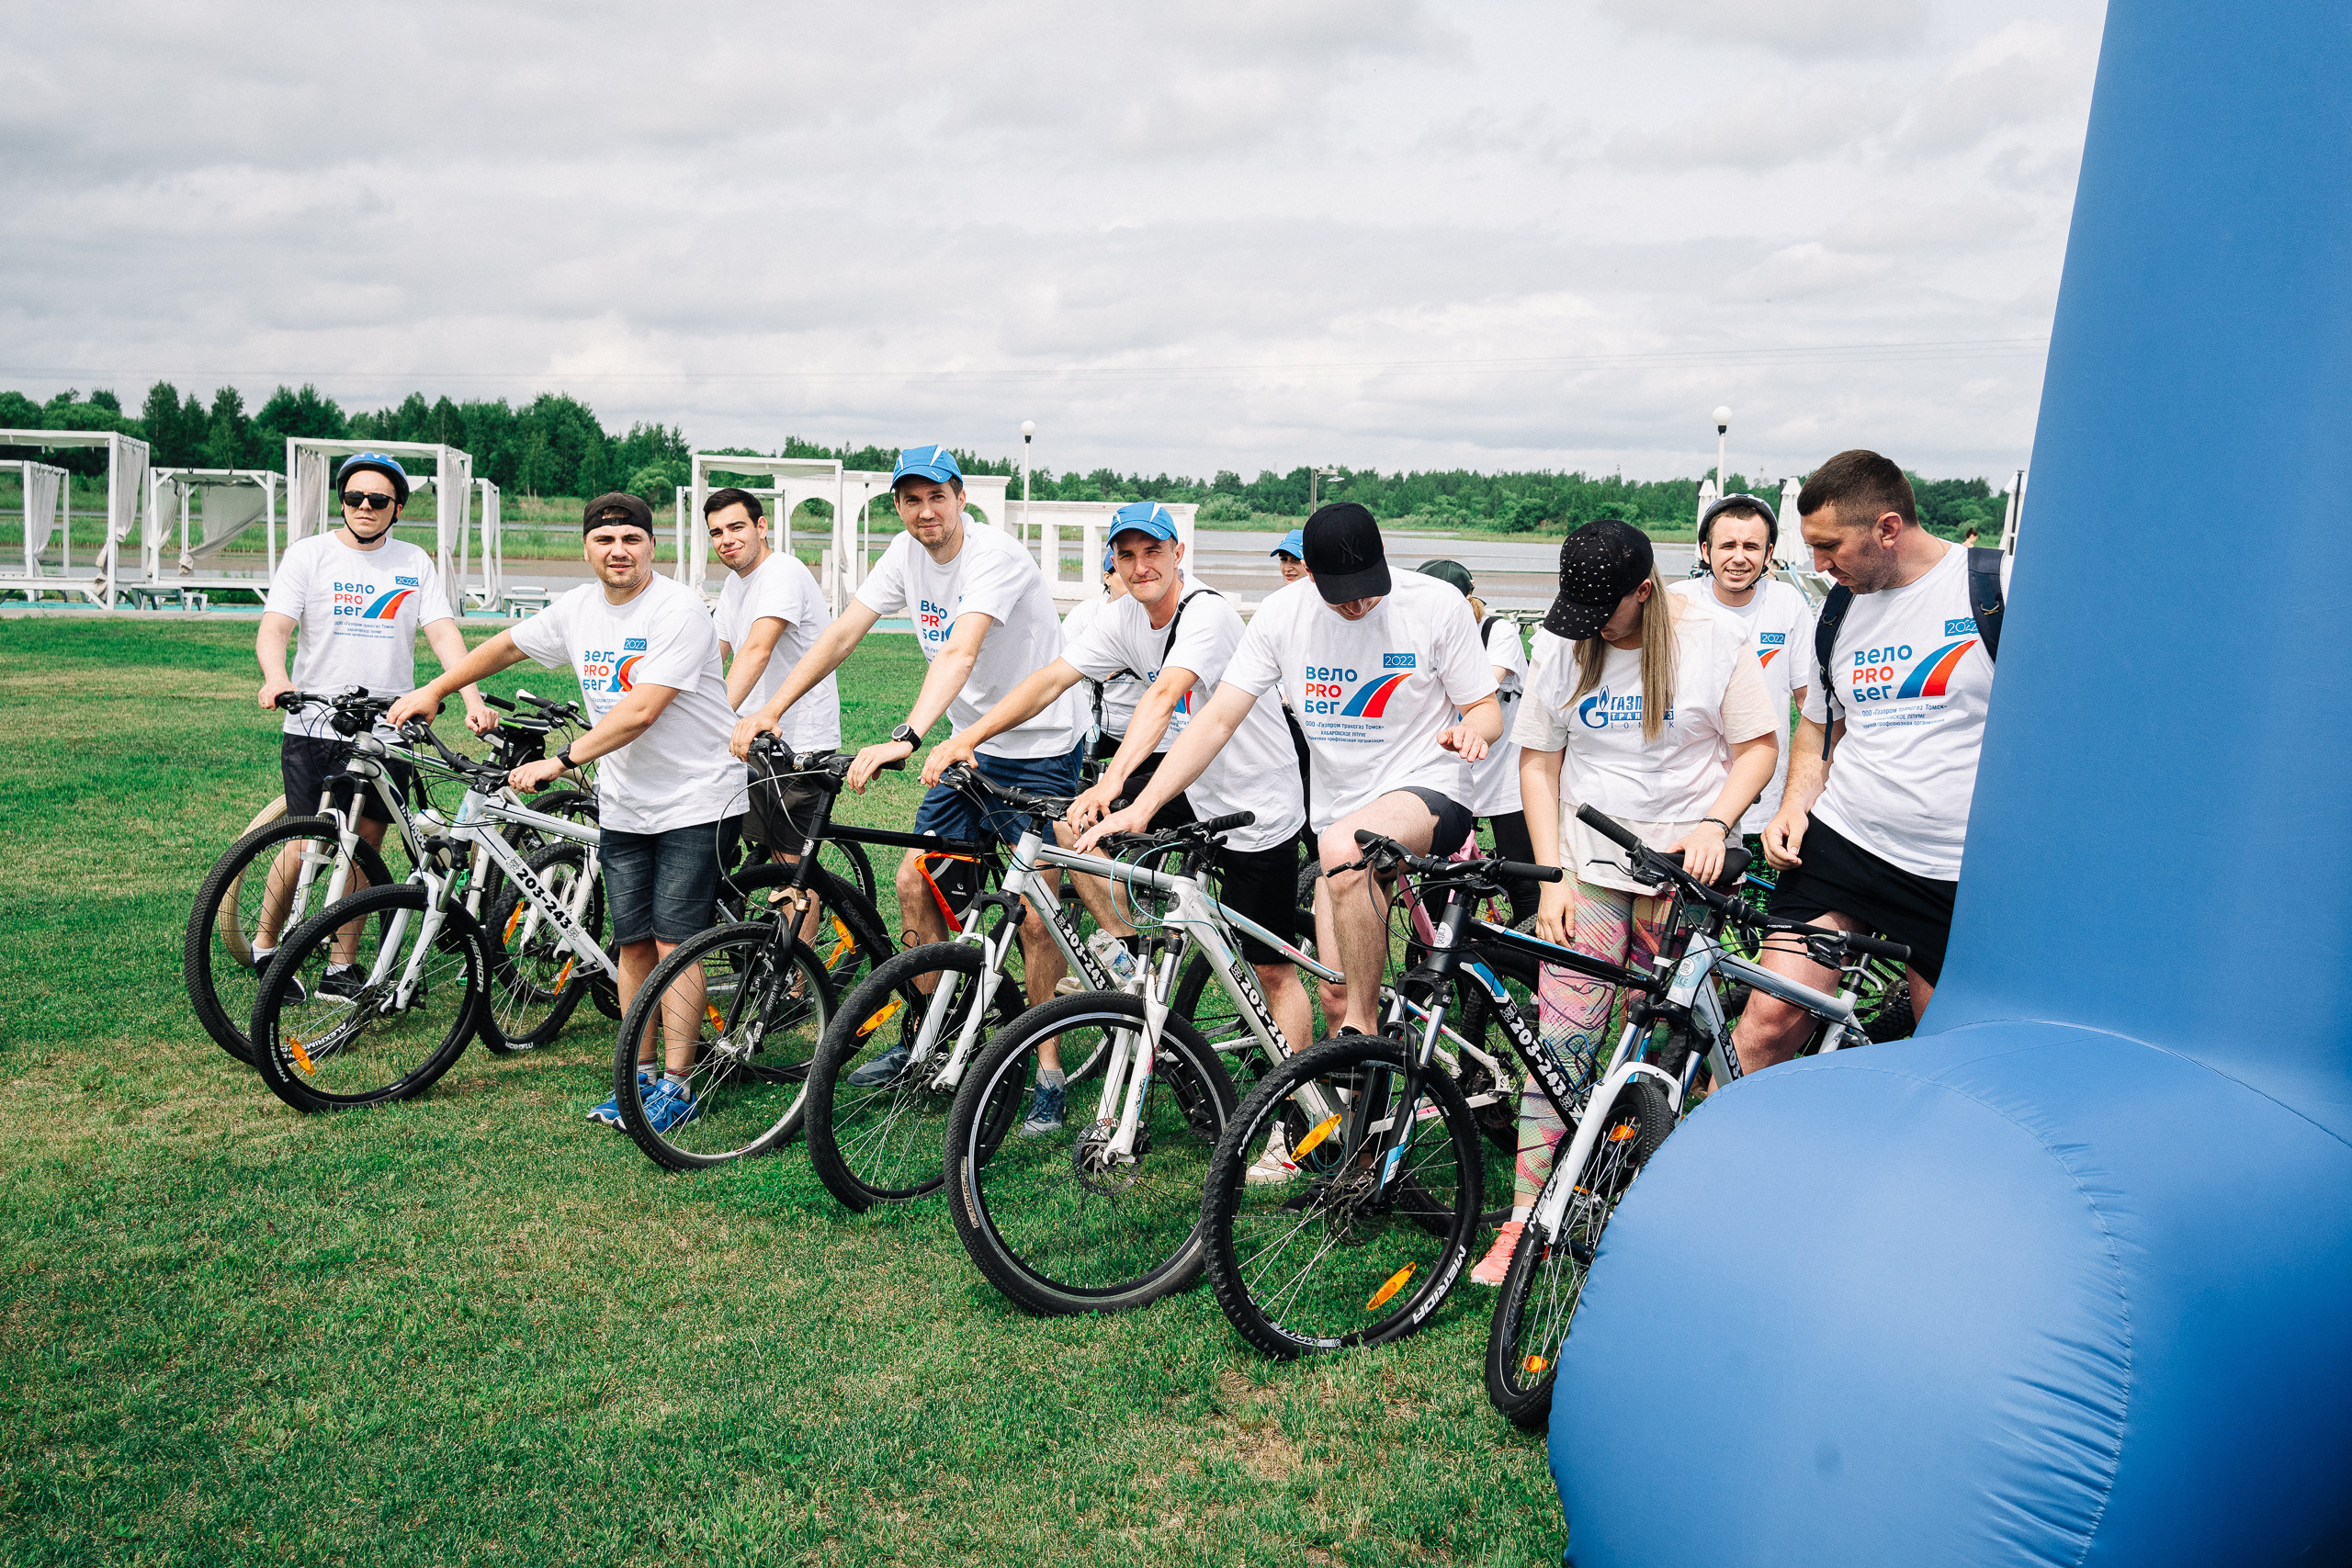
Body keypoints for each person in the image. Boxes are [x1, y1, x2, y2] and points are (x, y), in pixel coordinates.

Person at [926, 502, 1312, 1136]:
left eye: (1152, 552)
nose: (1141, 566)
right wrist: (971, 734)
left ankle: (1296, 1116)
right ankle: (1132, 954)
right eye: (1126, 555)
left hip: (1255, 799)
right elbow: (1050, 679)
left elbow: (1163, 697)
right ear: (1113, 560)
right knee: (1071, 830)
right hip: (1187, 780)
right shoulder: (1124, 616)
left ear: (1177, 553)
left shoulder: (1206, 612)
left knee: (1269, 966)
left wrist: (1115, 784)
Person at [1475, 518, 1781, 1284]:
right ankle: (1524, 1221)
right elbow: (1540, 765)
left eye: (1603, 613)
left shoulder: (1712, 639)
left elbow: (1758, 747)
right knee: (1563, 1043)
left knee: (1661, 1058)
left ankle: (1641, 1204)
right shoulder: (1563, 644)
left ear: (1645, 592)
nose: (1589, 629)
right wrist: (1553, 877)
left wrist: (1717, 821)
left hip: (1685, 878)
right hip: (1591, 870)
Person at [729, 444, 1087, 1086]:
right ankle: (926, 1034)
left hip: (1038, 747)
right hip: (968, 747)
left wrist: (907, 734)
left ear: (960, 498)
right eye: (912, 500)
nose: (926, 512)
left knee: (1033, 912)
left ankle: (1046, 1068)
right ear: (897, 505)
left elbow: (960, 651)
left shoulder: (993, 556)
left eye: (937, 497)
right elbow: (840, 634)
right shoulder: (904, 554)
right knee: (913, 883)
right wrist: (771, 708)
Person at [389, 493, 744, 1135]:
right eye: (606, 540)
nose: (619, 551)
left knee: (674, 940)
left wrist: (561, 760)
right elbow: (502, 647)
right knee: (633, 942)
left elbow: (642, 709)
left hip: (698, 795)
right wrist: (435, 688)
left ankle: (678, 1083)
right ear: (587, 548)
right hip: (628, 800)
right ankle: (637, 1078)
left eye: (632, 539)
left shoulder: (679, 609)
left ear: (651, 547)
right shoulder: (578, 609)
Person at [1080, 502, 1501, 1040]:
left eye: (1369, 586)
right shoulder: (1282, 614)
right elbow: (1215, 720)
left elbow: (1485, 709)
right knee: (1333, 990)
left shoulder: (1437, 605)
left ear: (1385, 558)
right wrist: (1141, 805)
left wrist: (1473, 731)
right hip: (1338, 817)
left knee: (1349, 855)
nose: (1359, 602)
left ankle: (1363, 1040)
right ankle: (1351, 1118)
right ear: (1308, 572)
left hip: (1429, 788)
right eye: (1341, 592)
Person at [1733, 450, 2010, 1075]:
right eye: (1811, 549)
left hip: (1955, 869)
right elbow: (1819, 725)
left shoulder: (1998, 586)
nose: (1818, 566)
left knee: (1947, 1058)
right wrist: (1793, 806)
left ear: (1888, 527)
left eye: (1829, 547)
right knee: (1765, 1024)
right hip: (1846, 842)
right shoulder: (1837, 609)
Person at [253, 452, 494, 994]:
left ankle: (342, 965)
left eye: (377, 500)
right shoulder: (309, 555)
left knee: (366, 843)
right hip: (316, 721)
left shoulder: (414, 562)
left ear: (397, 508)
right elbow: (275, 629)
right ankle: (267, 943)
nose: (364, 507)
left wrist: (471, 696)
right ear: (342, 501)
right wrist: (275, 677)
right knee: (306, 840)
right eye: (354, 498)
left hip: (389, 725)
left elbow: (443, 635)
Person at [707, 486, 840, 888]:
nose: (727, 540)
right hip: (753, 739)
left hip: (798, 742)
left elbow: (757, 650)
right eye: (716, 533)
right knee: (758, 854)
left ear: (761, 527)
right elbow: (713, 656)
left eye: (736, 527)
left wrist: (710, 720)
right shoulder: (735, 585)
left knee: (790, 872)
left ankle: (798, 952)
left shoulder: (782, 571)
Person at [1667, 494, 1815, 858]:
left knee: (1751, 906)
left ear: (1769, 554)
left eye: (1751, 546)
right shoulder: (1676, 601)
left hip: (1767, 793)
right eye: (1727, 545)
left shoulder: (1787, 603)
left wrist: (1803, 793)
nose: (1738, 557)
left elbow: (1808, 704)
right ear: (1705, 550)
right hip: (1688, 796)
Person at [1418, 559, 1538, 924]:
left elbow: (1480, 687)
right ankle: (1428, 954)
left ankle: (1528, 957)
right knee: (1436, 876)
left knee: (1521, 875)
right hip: (1452, 771)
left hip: (1505, 772)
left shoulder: (1497, 633)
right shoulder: (1421, 637)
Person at [1061, 546, 1144, 762]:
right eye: (1121, 572)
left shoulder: (1150, 616)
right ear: (1107, 577)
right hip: (1090, 719)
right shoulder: (1087, 611)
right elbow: (1061, 653)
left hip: (1137, 725)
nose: (1131, 576)